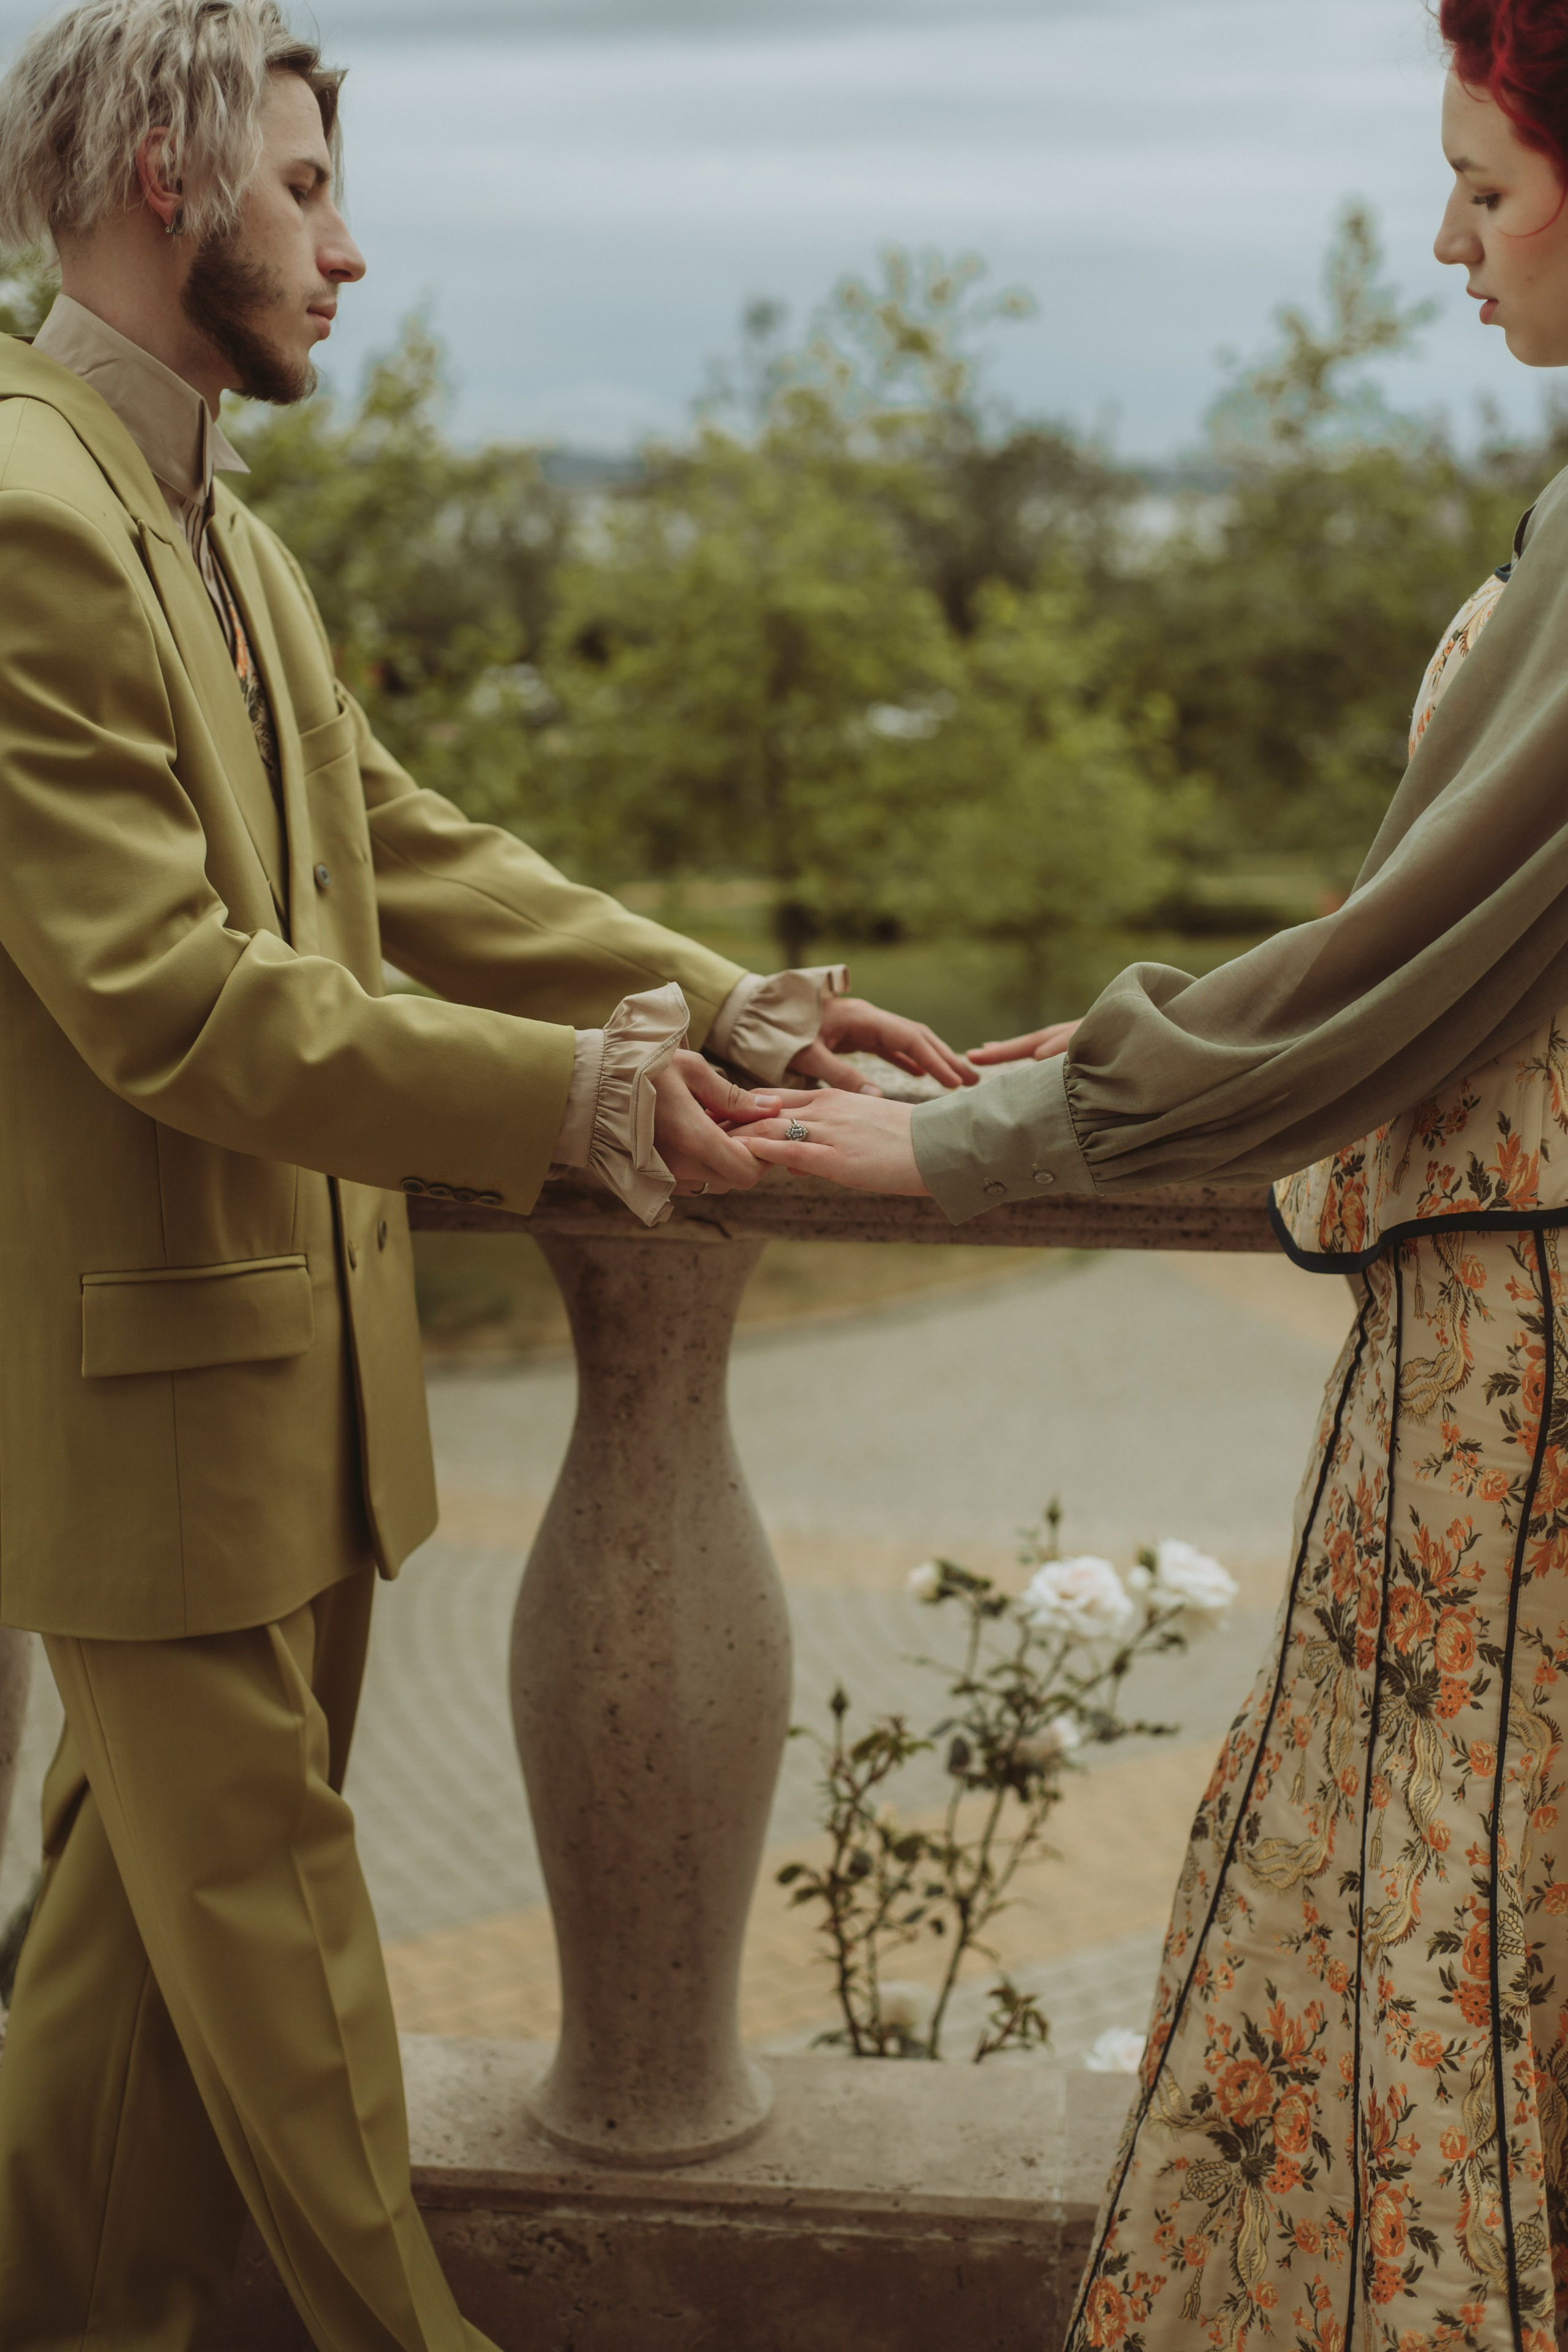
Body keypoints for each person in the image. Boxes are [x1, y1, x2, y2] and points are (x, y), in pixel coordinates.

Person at [0, 1, 976, 2341]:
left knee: (105, 2030)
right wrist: (581, 1097)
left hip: (276, 1407)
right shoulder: (29, 522)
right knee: (307, 2013)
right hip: (148, 1431)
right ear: (166, 177)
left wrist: (728, 996)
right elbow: (171, 998)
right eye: (307, 191)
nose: (350, 250)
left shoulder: (209, 513)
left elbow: (403, 848)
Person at [745, 3, 1568, 2342]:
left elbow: (1421, 968)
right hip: (1504, 1387)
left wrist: (1011, 1137)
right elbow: (1433, 931)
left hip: (1517, 1403)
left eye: (1486, 188)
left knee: (1446, 1965)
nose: (1442, 241)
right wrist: (1129, 1047)